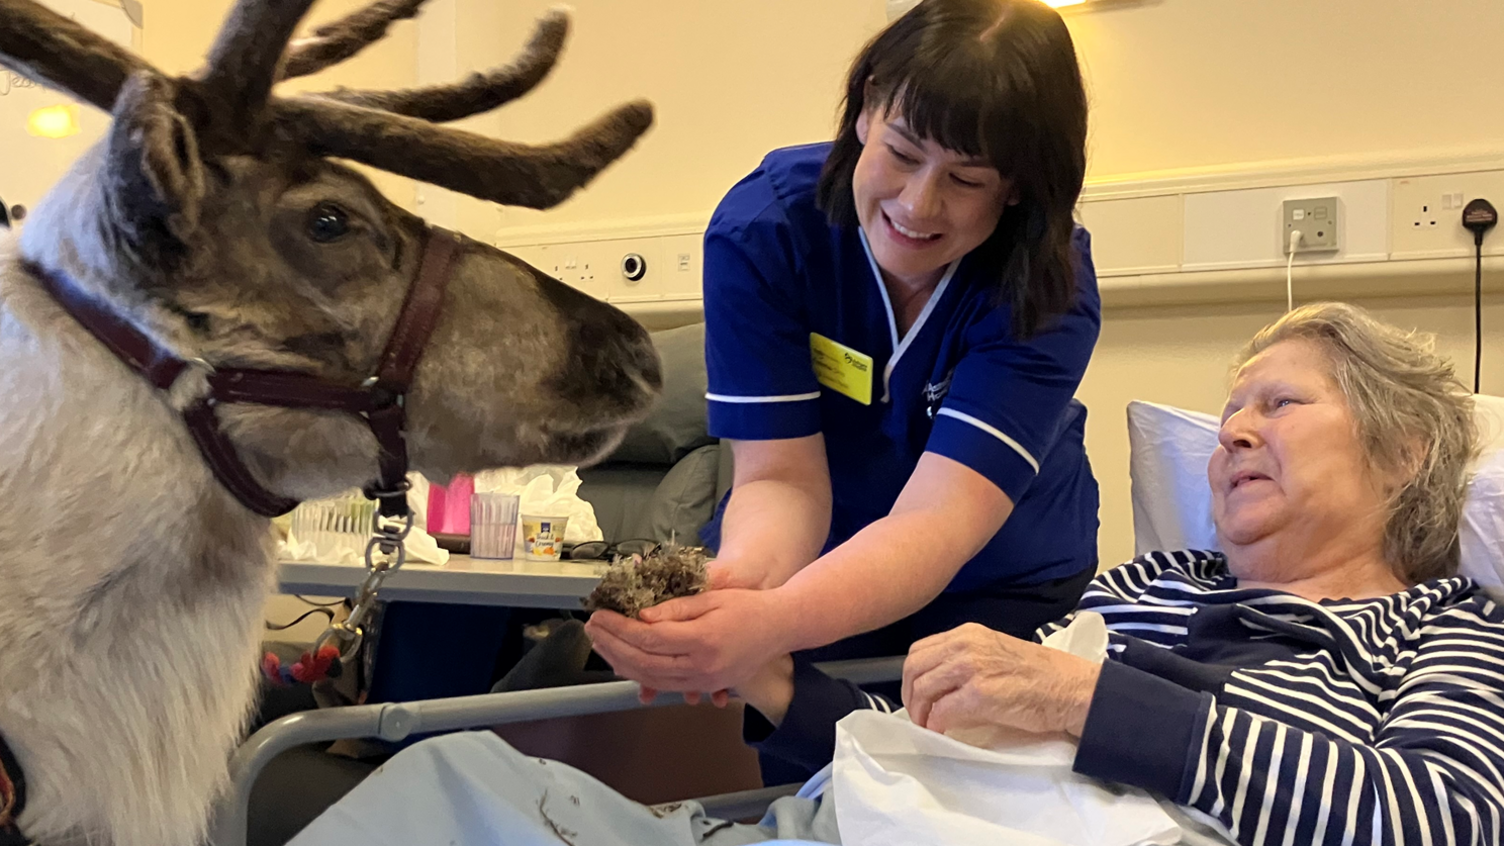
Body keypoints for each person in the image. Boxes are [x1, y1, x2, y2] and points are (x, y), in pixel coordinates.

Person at [289, 302, 1504, 846]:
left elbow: (1440, 821)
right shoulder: (1151, 585)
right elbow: (931, 745)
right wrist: (770, 680)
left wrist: (1081, 703)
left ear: (1404, 453)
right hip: (838, 827)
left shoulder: (1442, 634)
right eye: (1229, 407)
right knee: (452, 777)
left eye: (1278, 405)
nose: (1232, 431)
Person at [585, 0, 1101, 779]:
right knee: (820, 797)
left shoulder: (1046, 288)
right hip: (822, 576)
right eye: (901, 152)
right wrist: (737, 594)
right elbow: (781, 479)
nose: (917, 205)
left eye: (966, 179)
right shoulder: (768, 229)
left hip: (1001, 590)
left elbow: (935, 524)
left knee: (962, 805)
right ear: (864, 111)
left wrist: (773, 618)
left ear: (1020, 189)